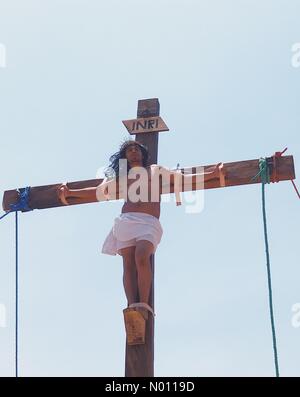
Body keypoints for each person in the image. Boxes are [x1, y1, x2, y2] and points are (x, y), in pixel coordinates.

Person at [57, 139, 223, 316]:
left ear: (143, 154)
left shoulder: (155, 170)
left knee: (142, 256)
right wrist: (70, 193)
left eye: (136, 149)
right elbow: (97, 191)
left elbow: (183, 179)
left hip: (148, 222)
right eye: (129, 150)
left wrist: (212, 174)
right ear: (125, 157)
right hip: (126, 221)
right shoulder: (122, 177)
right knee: (128, 264)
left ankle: (143, 304)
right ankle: (131, 306)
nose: (133, 151)